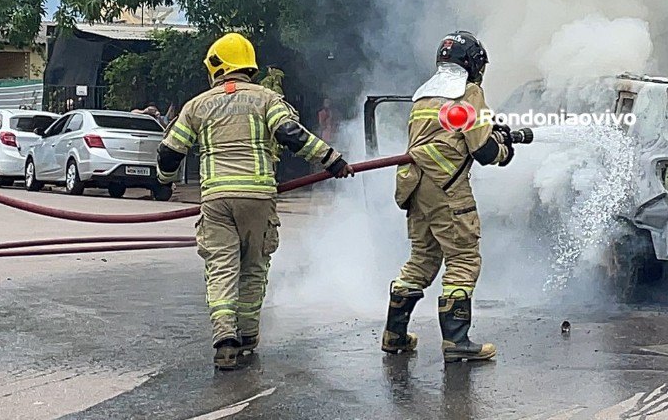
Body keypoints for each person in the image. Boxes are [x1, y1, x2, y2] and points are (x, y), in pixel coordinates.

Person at [156, 32, 355, 370]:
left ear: (216, 66)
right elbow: (290, 134)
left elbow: (169, 152)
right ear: (249, 66)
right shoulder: (266, 99)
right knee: (253, 268)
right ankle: (247, 336)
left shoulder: (196, 105)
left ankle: (224, 337)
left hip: (216, 200)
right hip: (257, 198)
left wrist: (165, 181)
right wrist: (332, 160)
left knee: (221, 268)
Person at [384, 31, 515, 363]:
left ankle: (394, 334)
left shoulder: (423, 95)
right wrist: (504, 149)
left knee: (422, 259)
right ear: (472, 64)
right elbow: (482, 150)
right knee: (463, 258)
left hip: (415, 186)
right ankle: (457, 341)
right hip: (447, 189)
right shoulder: (468, 92)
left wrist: (490, 130)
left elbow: (446, 135)